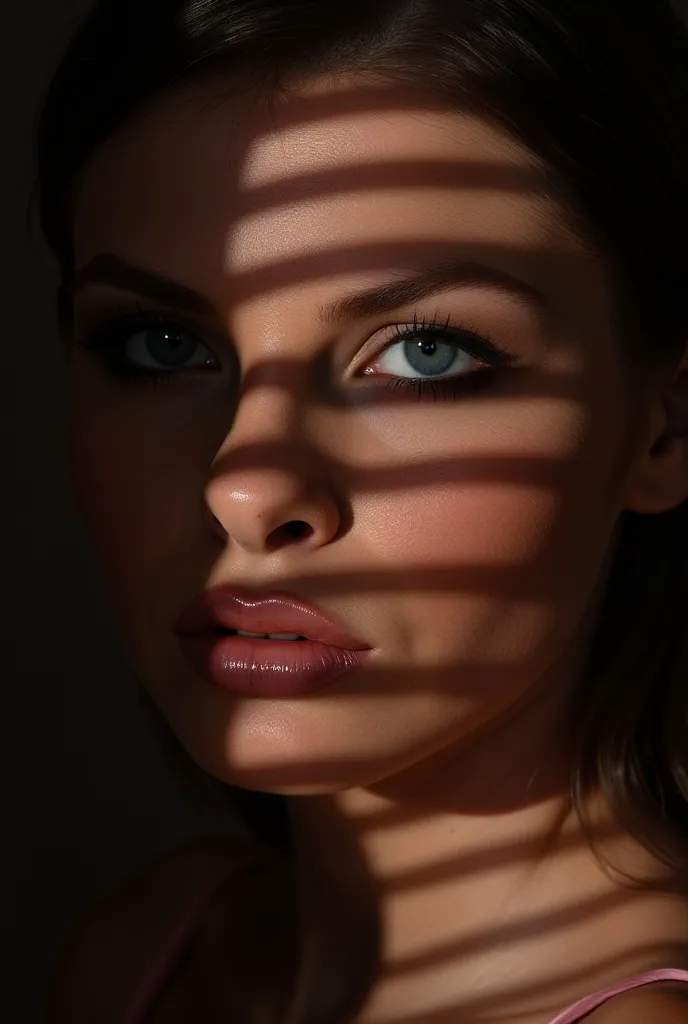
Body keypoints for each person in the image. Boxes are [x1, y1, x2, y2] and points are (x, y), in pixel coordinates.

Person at [37, 0, 688, 1020]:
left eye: (425, 353)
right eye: (160, 345)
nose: (245, 486)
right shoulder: (153, 954)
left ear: (665, 427)